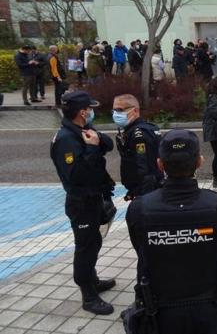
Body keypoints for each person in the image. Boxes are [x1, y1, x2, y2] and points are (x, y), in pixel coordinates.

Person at [124, 129, 217, 334]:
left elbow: (143, 252)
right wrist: (216, 254)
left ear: (160, 164)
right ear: (199, 162)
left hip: (159, 315)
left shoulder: (139, 209)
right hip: (210, 312)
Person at [50, 91, 117, 315]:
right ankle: (88, 295)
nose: (92, 111)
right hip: (81, 203)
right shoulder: (65, 140)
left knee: (94, 242)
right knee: (85, 248)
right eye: (90, 108)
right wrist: (90, 148)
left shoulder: (81, 130)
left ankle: (93, 279)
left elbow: (107, 145)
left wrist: (95, 140)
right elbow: (75, 175)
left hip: (94, 198)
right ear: (82, 112)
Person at [113, 94, 163, 200]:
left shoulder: (138, 133)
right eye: (114, 111)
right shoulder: (132, 130)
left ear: (135, 111)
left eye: (120, 110)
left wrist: (143, 196)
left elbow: (144, 167)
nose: (116, 114)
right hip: (142, 188)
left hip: (147, 190)